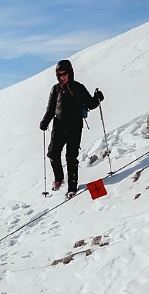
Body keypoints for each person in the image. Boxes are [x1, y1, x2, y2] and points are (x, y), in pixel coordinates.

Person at [39, 59, 104, 197]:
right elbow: (50, 108)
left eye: (64, 73)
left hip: (75, 124)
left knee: (71, 157)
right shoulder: (55, 89)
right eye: (59, 74)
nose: (62, 76)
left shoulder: (78, 87)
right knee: (52, 153)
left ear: (70, 73)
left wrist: (97, 98)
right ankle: (59, 179)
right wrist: (45, 121)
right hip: (59, 124)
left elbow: (90, 104)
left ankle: (72, 188)